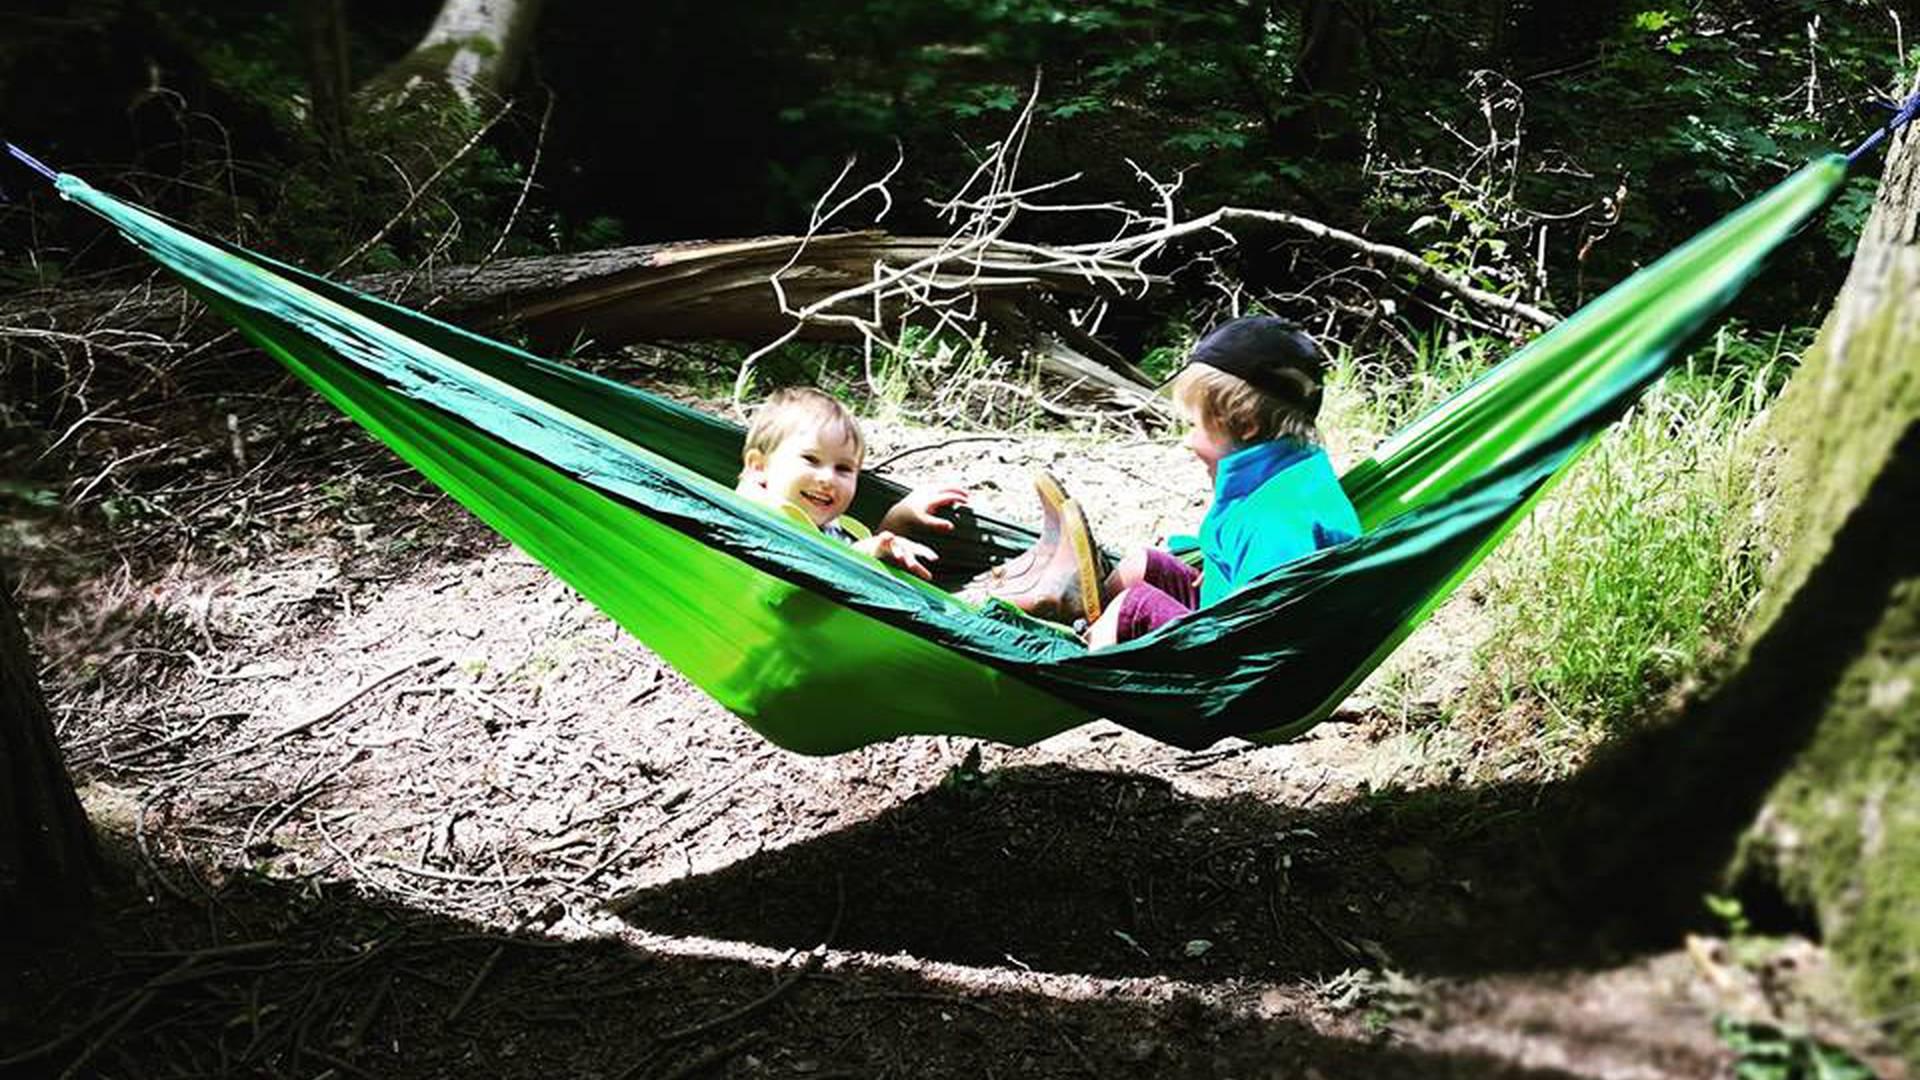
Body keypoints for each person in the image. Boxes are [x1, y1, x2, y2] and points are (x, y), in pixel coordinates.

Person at [981, 316, 1361, 646]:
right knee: (1141, 564)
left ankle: (1081, 653)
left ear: (1246, 425)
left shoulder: (1279, 519)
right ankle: (1072, 606)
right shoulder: (1287, 478)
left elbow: (1261, 629)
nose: (1187, 440)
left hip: (1242, 663)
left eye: (1194, 425)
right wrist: (1202, 554)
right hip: (1225, 615)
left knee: (1131, 608)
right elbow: (1251, 560)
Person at [736, 387, 969, 580]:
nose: (828, 478)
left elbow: (867, 552)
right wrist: (863, 555)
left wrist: (899, 520)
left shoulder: (837, 527)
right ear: (759, 467)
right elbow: (789, 604)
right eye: (810, 459)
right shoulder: (753, 519)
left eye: (844, 469)